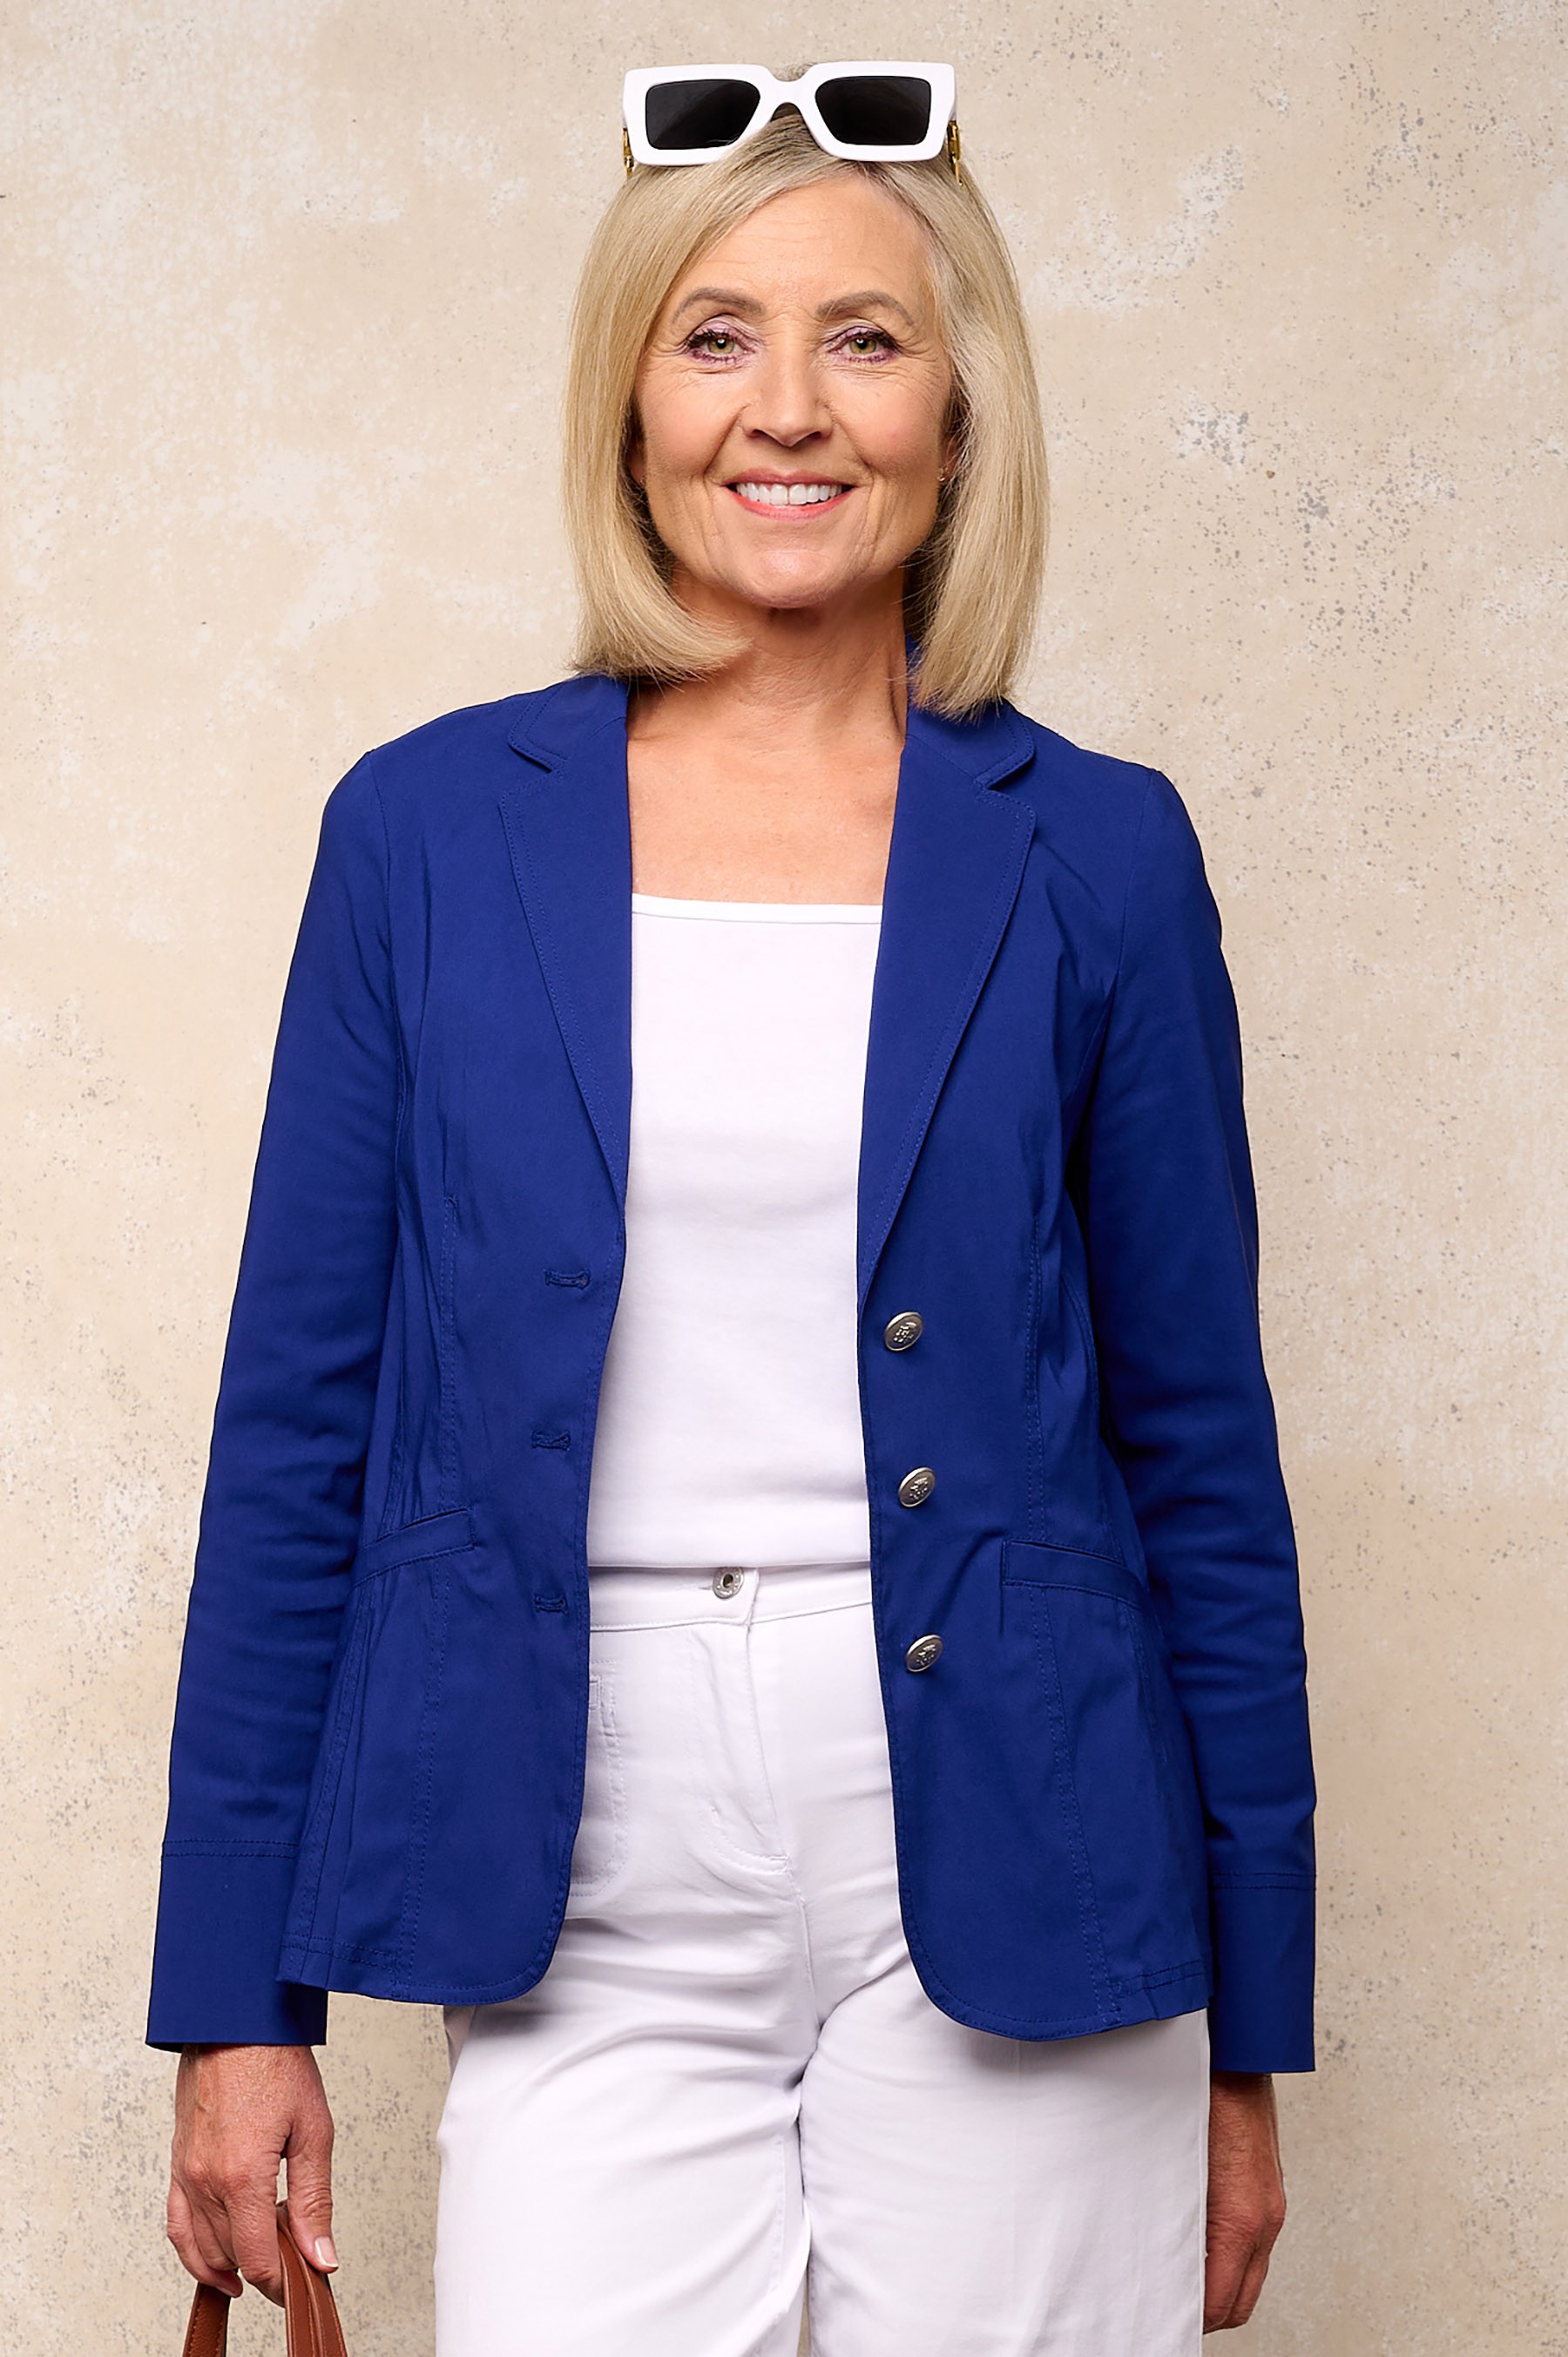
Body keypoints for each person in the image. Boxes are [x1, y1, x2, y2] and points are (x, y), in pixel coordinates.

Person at [151, 64, 1315, 2356]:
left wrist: (1246, 2030)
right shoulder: (422, 837)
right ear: (632, 402)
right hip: (578, 1846)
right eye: (715, 337)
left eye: (865, 338)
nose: (789, 407)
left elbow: (1200, 1452)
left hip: (1022, 1814)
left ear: (961, 410)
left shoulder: (1101, 854)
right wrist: (233, 2001)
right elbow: (300, 1429)